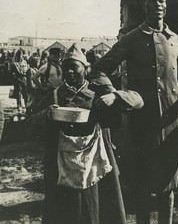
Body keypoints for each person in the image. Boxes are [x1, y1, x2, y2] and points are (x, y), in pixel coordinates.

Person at [90, 0, 178, 224]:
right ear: (144, 5)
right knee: (142, 184)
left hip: (171, 123)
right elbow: (98, 70)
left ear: (166, 6)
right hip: (142, 124)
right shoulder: (132, 38)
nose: (157, 5)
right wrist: (113, 94)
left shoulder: (176, 40)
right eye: (152, 1)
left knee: (168, 183)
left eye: (161, 0)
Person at [27, 43, 143, 224]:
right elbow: (31, 126)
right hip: (62, 167)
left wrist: (115, 97)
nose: (69, 72)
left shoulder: (99, 93)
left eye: (74, 67)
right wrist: (47, 114)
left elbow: (138, 100)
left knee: (97, 211)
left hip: (97, 166)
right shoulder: (54, 96)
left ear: (86, 68)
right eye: (65, 69)